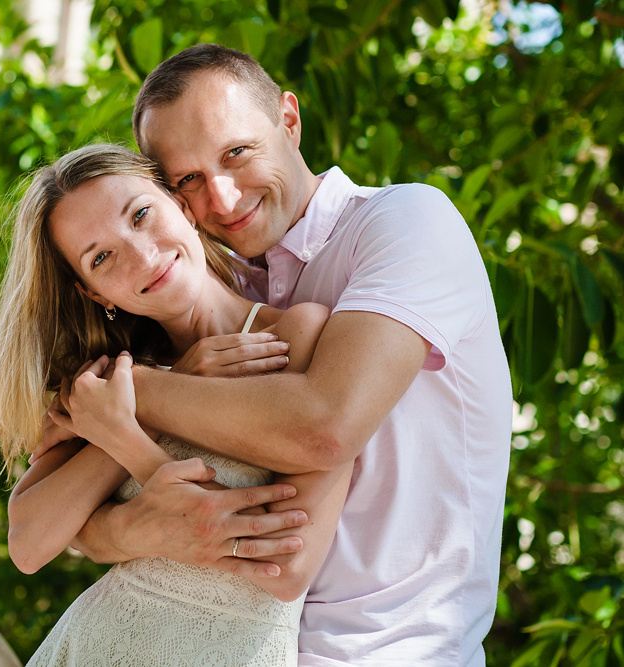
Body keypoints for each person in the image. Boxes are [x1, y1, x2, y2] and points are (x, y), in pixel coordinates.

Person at [45, 44, 513, 666]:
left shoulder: (404, 222)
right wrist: (119, 530)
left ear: (289, 121)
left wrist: (124, 395)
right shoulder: (220, 296)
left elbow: (326, 427)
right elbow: (62, 511)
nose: (223, 196)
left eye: (236, 153)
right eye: (187, 179)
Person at [0, 143, 355, 665]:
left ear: (181, 205)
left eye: (141, 215)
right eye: (101, 257)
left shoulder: (294, 336)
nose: (141, 254)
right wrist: (172, 384)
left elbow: (286, 567)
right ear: (94, 294)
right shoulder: (111, 380)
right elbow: (29, 542)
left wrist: (132, 430)